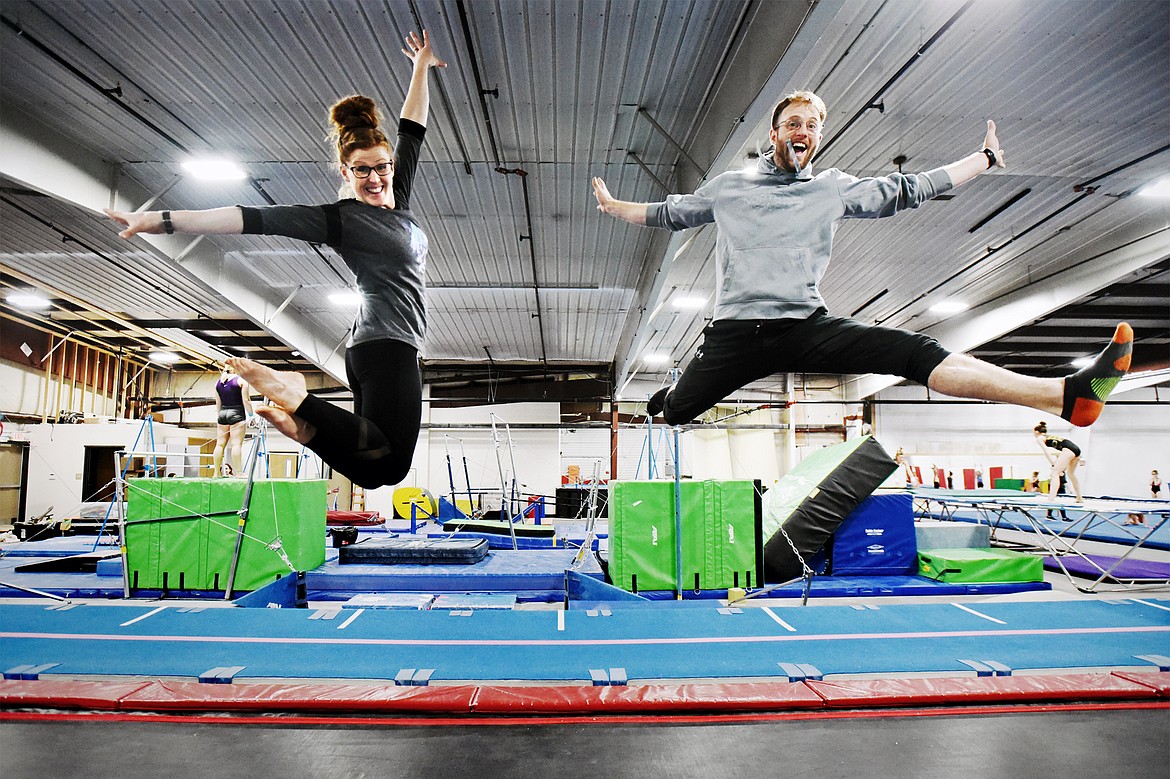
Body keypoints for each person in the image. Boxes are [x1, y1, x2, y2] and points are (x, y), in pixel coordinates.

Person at [592, 90, 1133, 428]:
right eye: (794, 123)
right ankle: (667, 398)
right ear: (776, 133)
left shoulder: (831, 188)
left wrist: (983, 159)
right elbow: (672, 213)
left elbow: (906, 188)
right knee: (676, 409)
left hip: (804, 324)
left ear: (817, 138)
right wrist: (617, 208)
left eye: (812, 125)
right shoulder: (730, 188)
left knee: (914, 351)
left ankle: (1064, 397)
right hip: (734, 334)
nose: (803, 131)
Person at [106, 31, 446, 489]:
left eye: (382, 166)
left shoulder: (396, 199)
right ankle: (296, 398)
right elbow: (249, 218)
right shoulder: (343, 220)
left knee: (370, 469)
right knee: (392, 464)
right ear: (346, 172)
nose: (376, 177)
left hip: (370, 348)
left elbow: (412, 128)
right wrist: (160, 220)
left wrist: (419, 68)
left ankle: (303, 429)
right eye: (362, 169)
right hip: (389, 347)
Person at [212, 365, 253, 478]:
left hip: (222, 413)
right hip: (237, 413)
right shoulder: (241, 380)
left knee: (219, 445)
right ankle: (238, 472)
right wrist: (251, 415)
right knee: (236, 444)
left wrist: (220, 416)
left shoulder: (218, 382)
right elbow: (246, 400)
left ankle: (216, 473)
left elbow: (218, 403)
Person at [1034, 421, 1084, 503]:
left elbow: (1046, 452)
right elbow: (1067, 444)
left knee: (1055, 473)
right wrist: (1081, 457)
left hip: (1068, 449)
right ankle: (1079, 498)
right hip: (1075, 449)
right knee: (1071, 474)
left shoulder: (1040, 438)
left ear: (1036, 432)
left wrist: (1053, 464)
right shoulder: (1050, 436)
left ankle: (1051, 499)